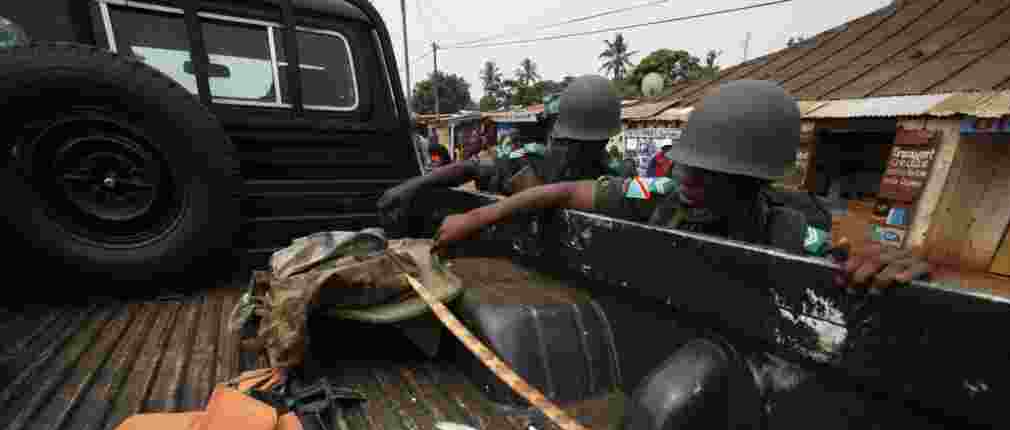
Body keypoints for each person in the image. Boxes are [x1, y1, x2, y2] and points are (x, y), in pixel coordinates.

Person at [433, 80, 932, 292]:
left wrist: (892, 264)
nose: (687, 178)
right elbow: (561, 193)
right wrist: (473, 218)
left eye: (710, 173)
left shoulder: (791, 236)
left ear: (754, 181)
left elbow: (850, 258)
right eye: (687, 163)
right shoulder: (657, 195)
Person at [378, 75, 624, 226]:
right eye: (570, 143)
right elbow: (471, 167)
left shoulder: (615, 179)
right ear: (555, 134)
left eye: (588, 146)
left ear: (603, 144)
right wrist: (413, 186)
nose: (573, 153)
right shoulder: (527, 161)